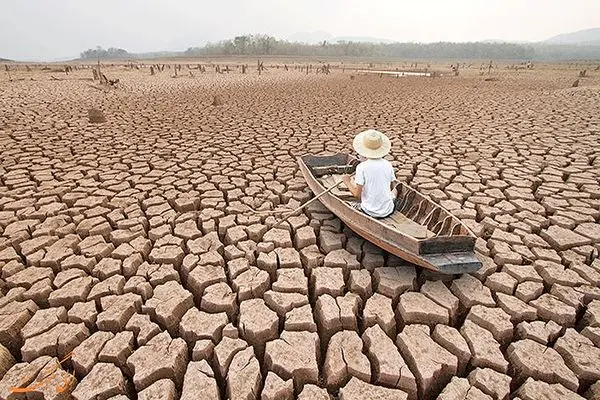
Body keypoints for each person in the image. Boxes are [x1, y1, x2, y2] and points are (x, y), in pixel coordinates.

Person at [342, 129, 398, 219]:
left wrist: (347, 181)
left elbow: (357, 194)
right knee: (395, 191)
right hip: (388, 210)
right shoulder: (388, 164)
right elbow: (392, 186)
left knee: (356, 197)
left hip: (369, 211)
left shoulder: (362, 167)